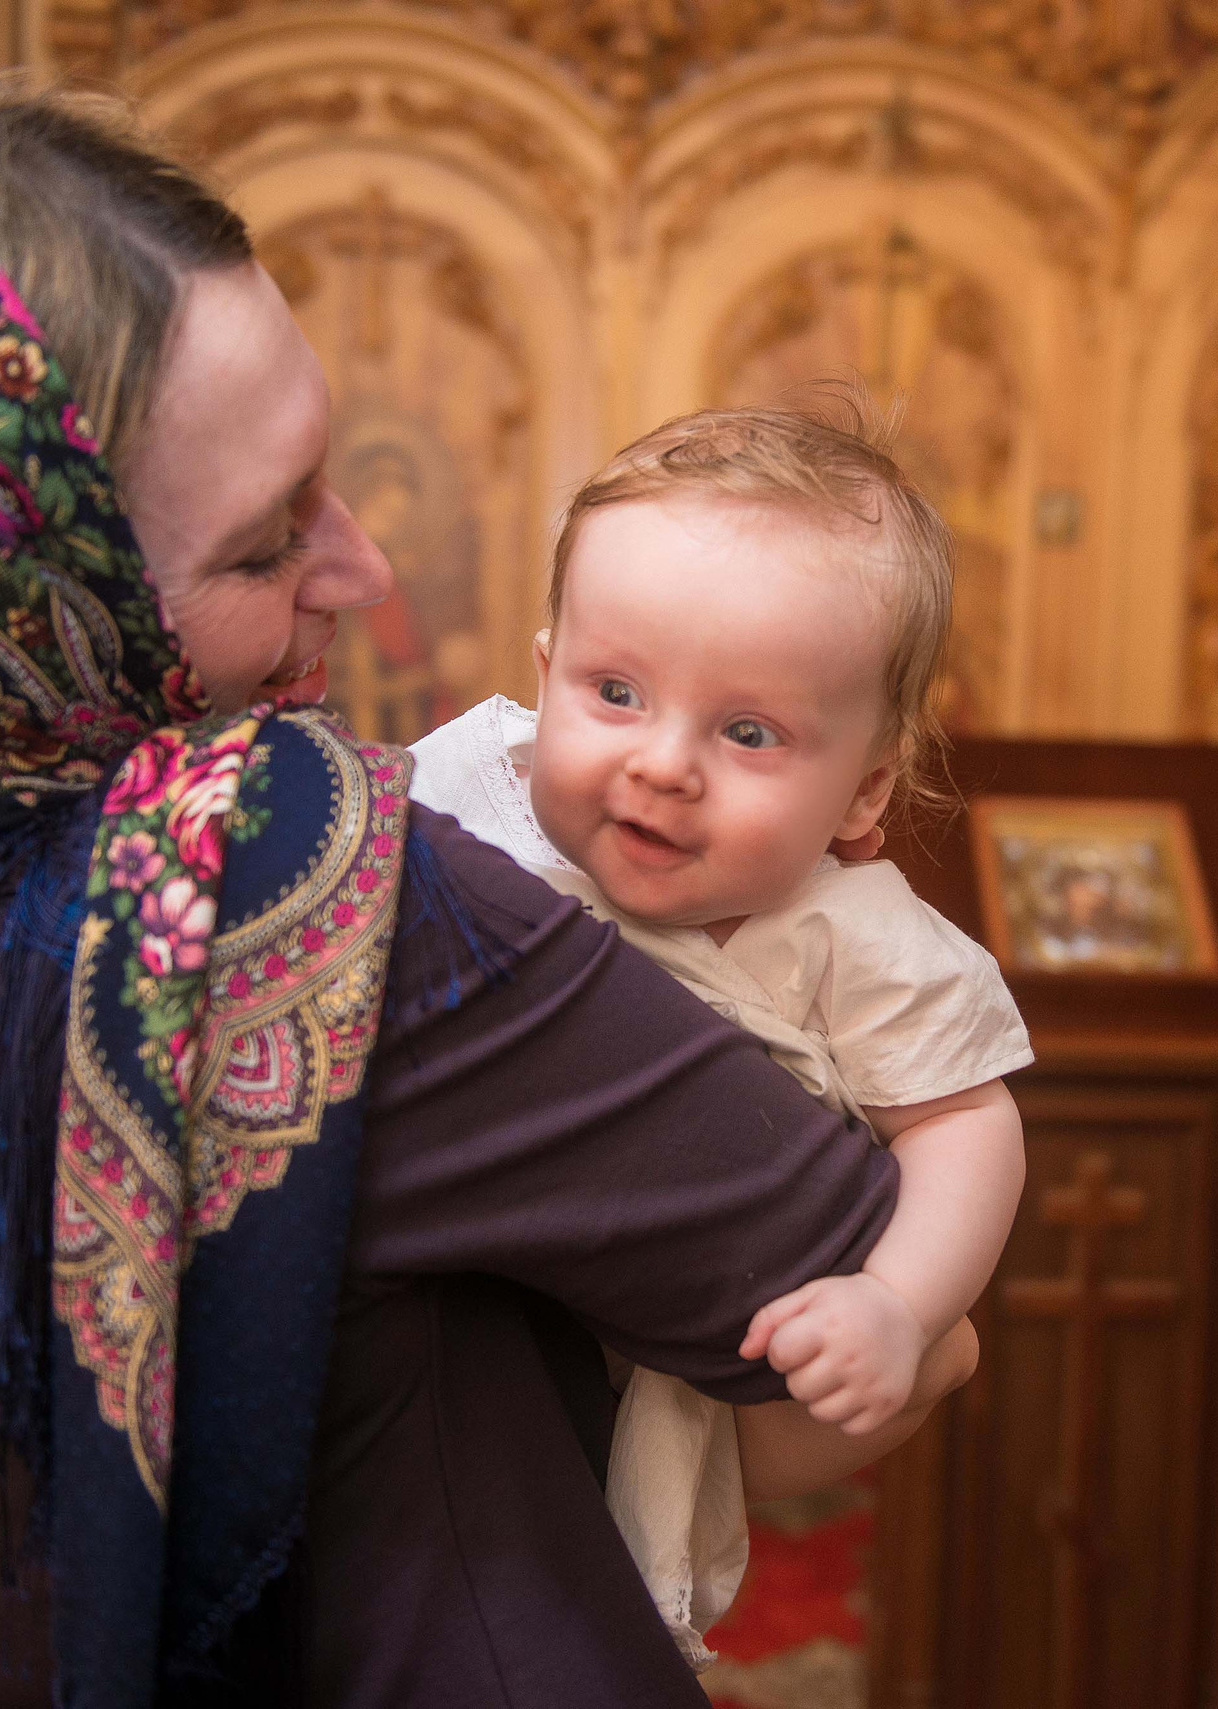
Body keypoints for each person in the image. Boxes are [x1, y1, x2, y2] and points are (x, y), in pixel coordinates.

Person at [0, 61, 972, 1708]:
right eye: (266, 542)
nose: (365, 563)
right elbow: (910, 1340)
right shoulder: (278, 886)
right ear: (19, 595)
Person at [410, 405, 1030, 1664]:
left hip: (687, 1362)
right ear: (543, 676)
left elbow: (966, 1122)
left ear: (864, 787)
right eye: (615, 692)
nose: (662, 763)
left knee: (894, 1379)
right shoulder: (467, 801)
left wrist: (897, 1304)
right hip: (454, 1306)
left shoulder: (857, 938)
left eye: (748, 732)